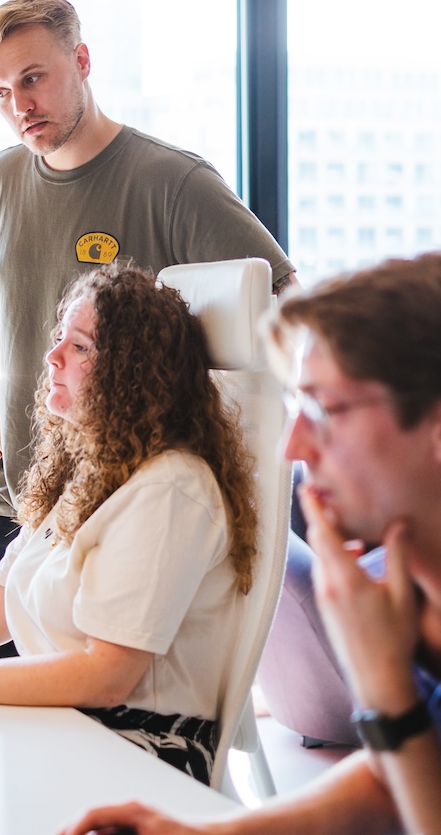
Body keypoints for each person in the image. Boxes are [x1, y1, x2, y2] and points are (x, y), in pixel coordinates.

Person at [61, 251, 441, 835]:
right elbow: (394, 777)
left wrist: (386, 692)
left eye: (324, 408)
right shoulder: (416, 601)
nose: (293, 447)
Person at [0, 0, 295, 599]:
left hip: (113, 519)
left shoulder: (172, 182)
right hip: (7, 511)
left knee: (71, 694)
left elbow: (286, 295)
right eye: (1, 92)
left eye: (33, 79)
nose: (20, 106)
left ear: (80, 61)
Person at [0, 262, 258, 785]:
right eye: (60, 338)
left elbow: (106, 674)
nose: (52, 356)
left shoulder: (171, 487)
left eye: (81, 347)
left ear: (133, 373)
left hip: (140, 752)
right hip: (69, 727)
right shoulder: (88, 470)